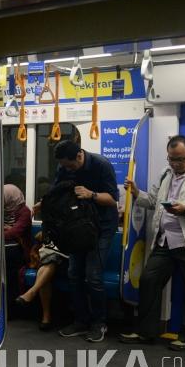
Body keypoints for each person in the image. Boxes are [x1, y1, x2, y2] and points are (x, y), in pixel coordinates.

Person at [120, 135, 185, 350]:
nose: (175, 164)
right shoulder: (166, 175)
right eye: (171, 159)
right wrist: (137, 192)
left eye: (180, 159)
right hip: (165, 240)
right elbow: (153, 202)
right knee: (149, 280)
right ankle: (146, 332)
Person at [34, 137, 119, 342]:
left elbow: (112, 199)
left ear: (79, 155)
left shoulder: (101, 165)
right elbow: (58, 191)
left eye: (70, 164)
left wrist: (92, 194)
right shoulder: (65, 167)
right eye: (64, 166)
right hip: (76, 227)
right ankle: (81, 321)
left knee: (93, 275)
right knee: (74, 273)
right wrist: (43, 204)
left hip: (101, 228)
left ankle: (99, 323)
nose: (67, 169)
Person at [16, 232, 67, 330]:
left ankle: (33, 294)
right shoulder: (52, 218)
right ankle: (45, 315)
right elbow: (39, 235)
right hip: (51, 254)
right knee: (46, 267)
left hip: (68, 256)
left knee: (47, 266)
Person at [0, 185, 32, 310]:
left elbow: (15, 232)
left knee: (8, 261)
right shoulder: (3, 210)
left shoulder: (24, 212)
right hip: (6, 248)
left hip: (20, 251)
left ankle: (9, 306)